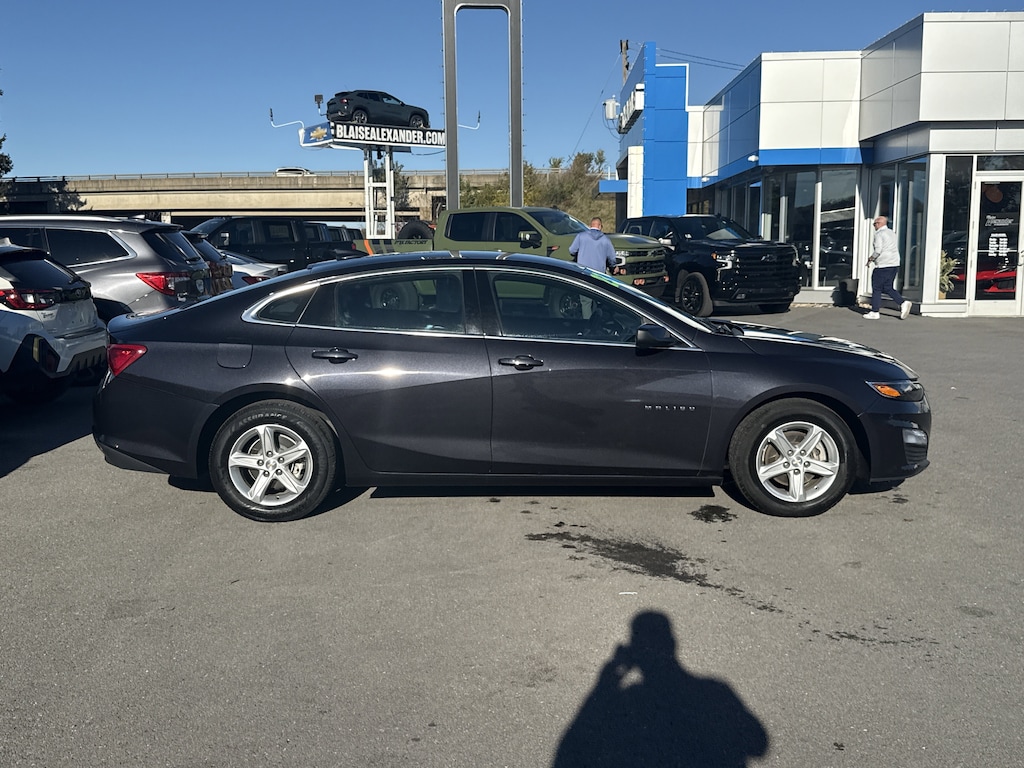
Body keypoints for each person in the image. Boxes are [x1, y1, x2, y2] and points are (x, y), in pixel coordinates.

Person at [866, 215, 912, 320]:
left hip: (883, 264)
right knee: (887, 287)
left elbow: (878, 250)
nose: (874, 226)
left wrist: (871, 259)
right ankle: (902, 302)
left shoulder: (879, 234)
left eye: (874, 224)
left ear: (879, 224)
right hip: (894, 263)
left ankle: (875, 311)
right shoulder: (892, 233)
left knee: (877, 287)